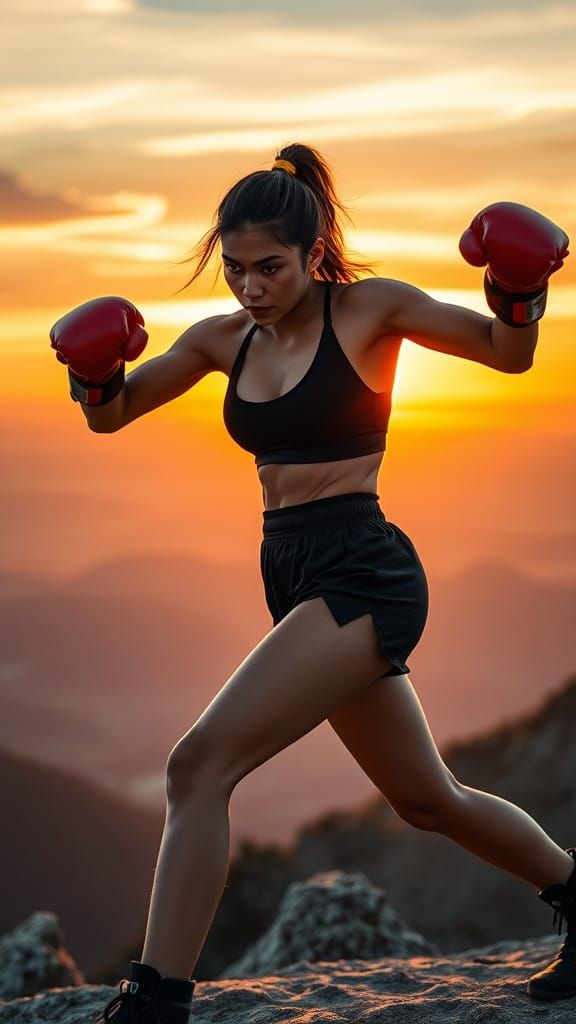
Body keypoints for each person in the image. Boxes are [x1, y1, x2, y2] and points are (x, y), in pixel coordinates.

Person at [50, 143, 572, 1022]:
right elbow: (116, 415)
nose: (251, 287)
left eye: (270, 268)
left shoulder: (371, 311)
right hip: (291, 571)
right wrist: (94, 371)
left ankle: (154, 1001)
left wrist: (518, 291)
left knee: (196, 767)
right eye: (236, 268)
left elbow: (504, 354)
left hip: (362, 569)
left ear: (313, 247)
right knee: (427, 798)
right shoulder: (223, 339)